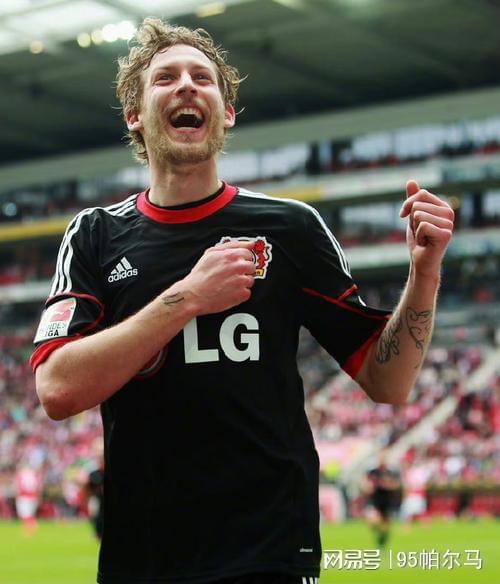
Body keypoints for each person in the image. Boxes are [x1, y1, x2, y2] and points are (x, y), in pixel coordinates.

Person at [31, 18, 454, 584]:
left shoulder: (291, 228)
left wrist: (424, 274)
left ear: (227, 112)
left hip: (271, 552)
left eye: (203, 78)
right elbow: (57, 390)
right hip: (145, 557)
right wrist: (187, 297)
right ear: (134, 115)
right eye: (166, 78)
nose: (187, 85)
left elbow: (389, 381)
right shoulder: (95, 235)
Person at [362, 451, 402, 548]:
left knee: (386, 526)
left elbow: (398, 484)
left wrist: (388, 485)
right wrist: (367, 487)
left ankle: (382, 543)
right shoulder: (373, 472)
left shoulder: (390, 472)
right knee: (373, 521)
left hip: (387, 501)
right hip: (375, 500)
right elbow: (365, 482)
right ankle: (379, 535)